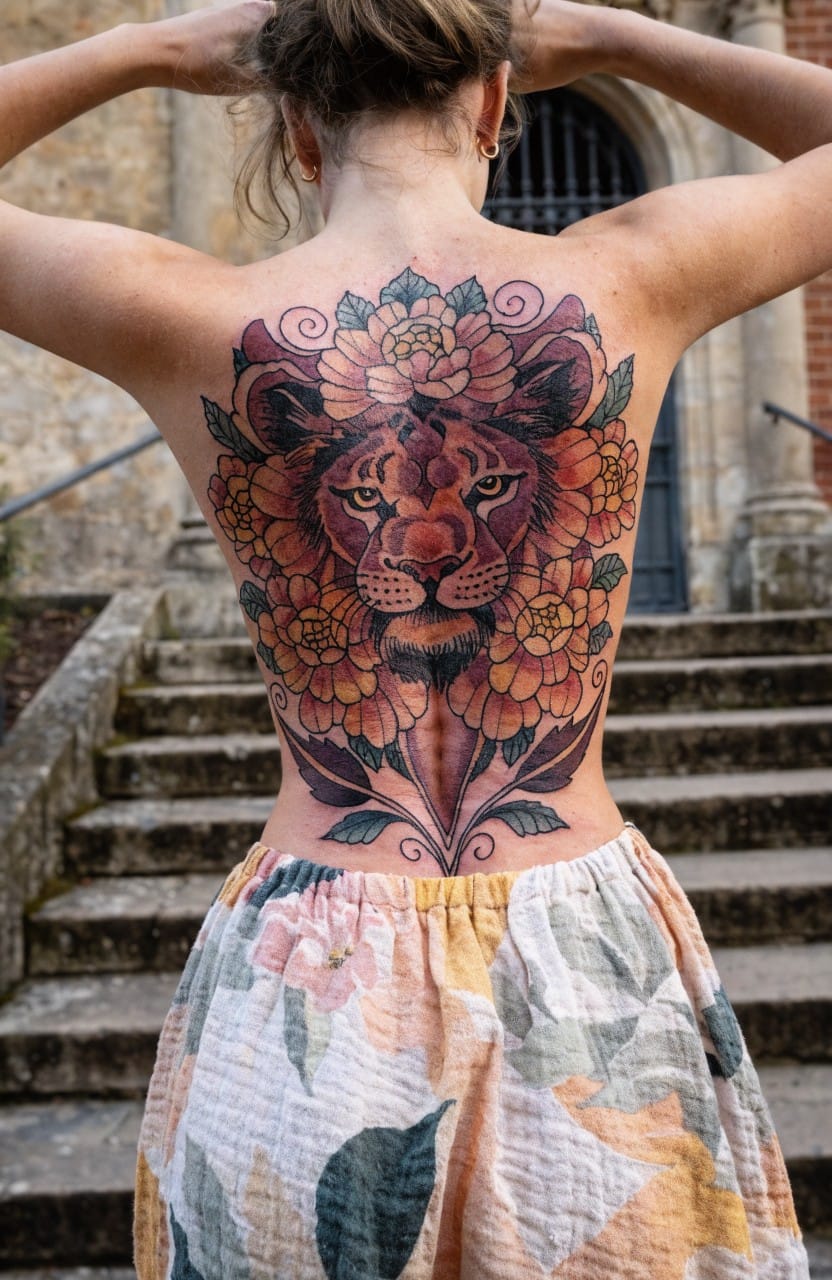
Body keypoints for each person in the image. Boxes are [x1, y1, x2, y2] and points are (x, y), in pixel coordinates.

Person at [1, 0, 828, 1273]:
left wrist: (143, 51)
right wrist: (621, 38)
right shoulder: (636, 272)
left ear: (292, 126)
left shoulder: (188, 315)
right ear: (498, 104)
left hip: (304, 966)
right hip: (586, 961)